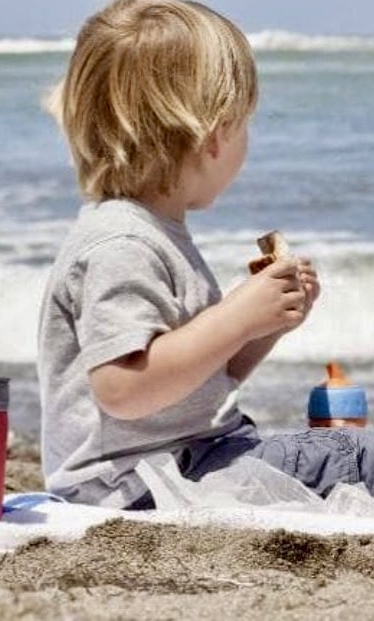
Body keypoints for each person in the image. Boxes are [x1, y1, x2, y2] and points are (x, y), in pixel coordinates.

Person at [36, 0, 349, 511]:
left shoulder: (153, 231)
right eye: (244, 124)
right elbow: (124, 390)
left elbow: (191, 389)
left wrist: (263, 324)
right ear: (213, 137)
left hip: (175, 462)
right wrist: (234, 316)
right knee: (352, 456)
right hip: (147, 482)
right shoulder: (122, 242)